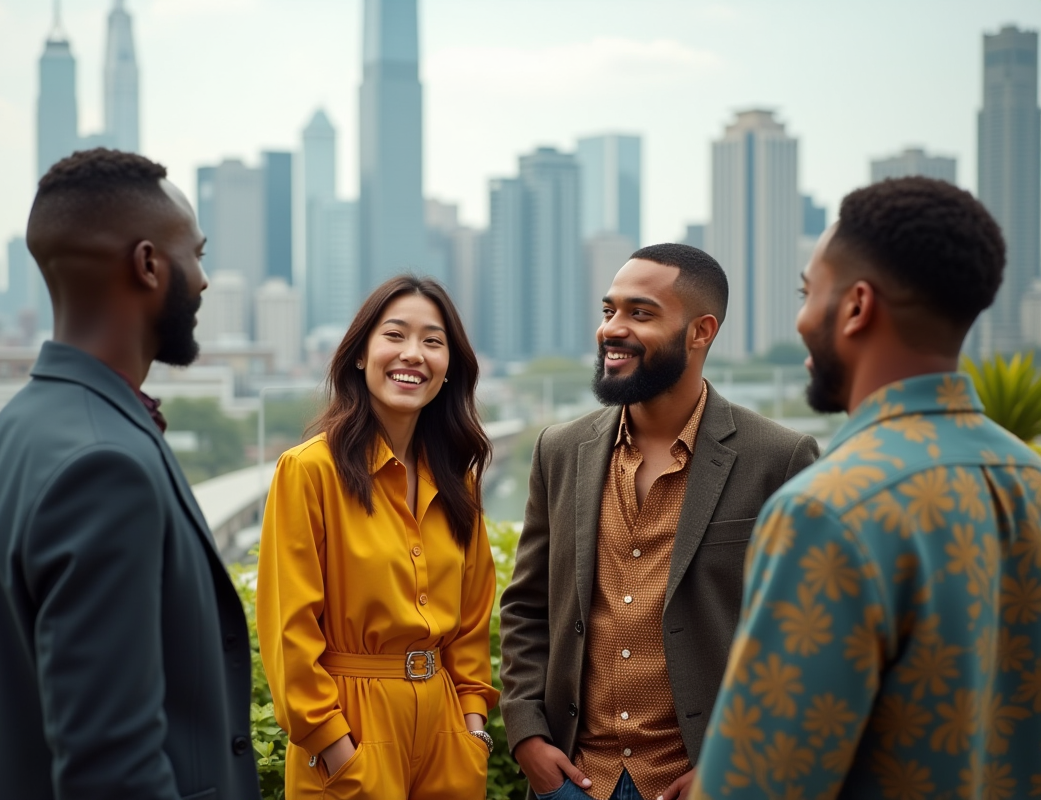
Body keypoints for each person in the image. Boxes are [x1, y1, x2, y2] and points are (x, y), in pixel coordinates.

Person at [690, 177, 1041, 799]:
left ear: (856, 307)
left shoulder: (826, 512)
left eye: (807, 292)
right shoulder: (1029, 480)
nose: (801, 318)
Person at [0, 149, 259, 800]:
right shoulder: (104, 464)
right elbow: (114, 772)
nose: (204, 281)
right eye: (196, 254)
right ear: (148, 264)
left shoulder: (9, 436)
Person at [500, 244, 820, 800]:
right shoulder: (560, 450)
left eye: (640, 313)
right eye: (609, 311)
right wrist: (527, 735)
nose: (612, 329)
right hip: (573, 780)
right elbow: (528, 606)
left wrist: (737, 760)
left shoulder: (779, 458)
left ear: (701, 332)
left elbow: (804, 636)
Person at [256, 275, 498, 799]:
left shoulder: (458, 482)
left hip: (447, 734)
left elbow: (472, 623)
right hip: (351, 731)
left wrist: (472, 727)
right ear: (360, 355)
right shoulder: (309, 471)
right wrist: (334, 746)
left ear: (449, 368)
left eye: (433, 342)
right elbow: (289, 630)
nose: (413, 354)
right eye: (395, 335)